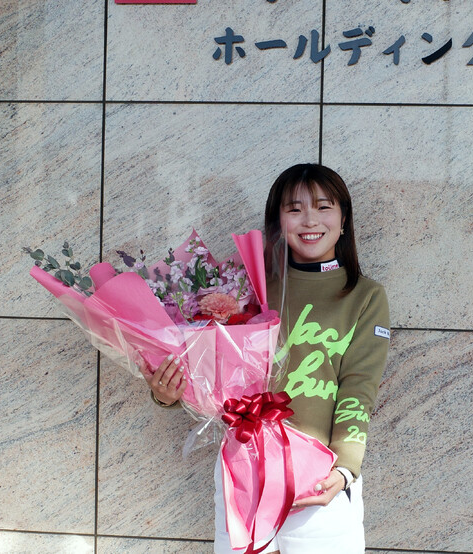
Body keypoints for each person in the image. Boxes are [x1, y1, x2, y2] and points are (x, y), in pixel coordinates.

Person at [141, 164, 390, 554]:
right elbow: (209, 372)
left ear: (344, 220)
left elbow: (359, 389)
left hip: (321, 480)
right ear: (278, 222)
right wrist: (168, 392)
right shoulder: (244, 289)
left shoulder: (365, 296)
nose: (310, 220)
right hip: (245, 474)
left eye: (323, 207)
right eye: (295, 209)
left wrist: (344, 469)